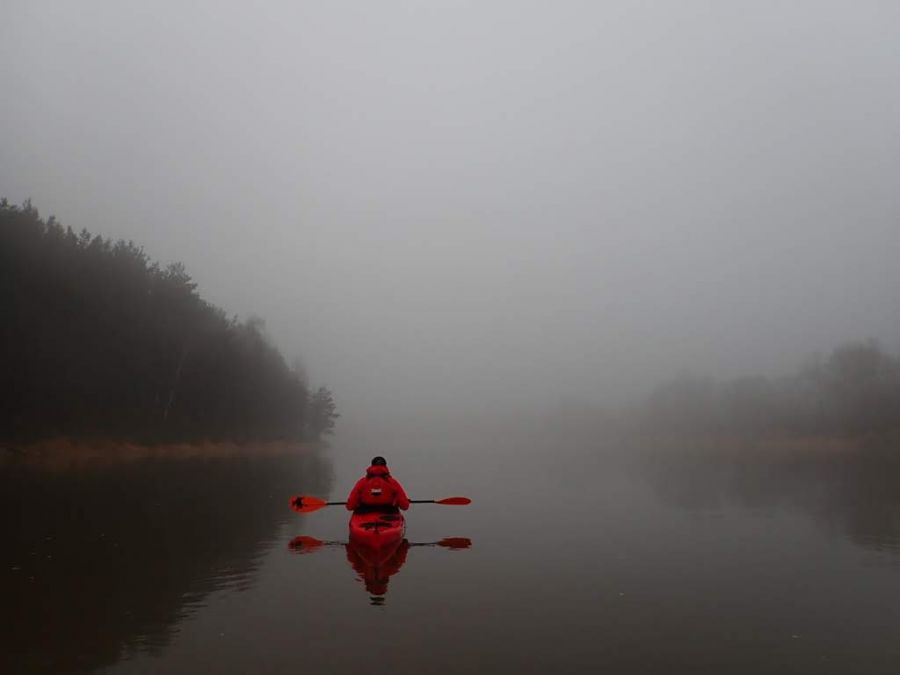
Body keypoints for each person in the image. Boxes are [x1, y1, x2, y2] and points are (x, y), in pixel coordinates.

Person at [346, 456, 411, 513]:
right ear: (385, 466)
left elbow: (350, 506)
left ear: (372, 466)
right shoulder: (392, 482)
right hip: (389, 515)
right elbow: (405, 506)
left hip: (364, 516)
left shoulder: (362, 482)